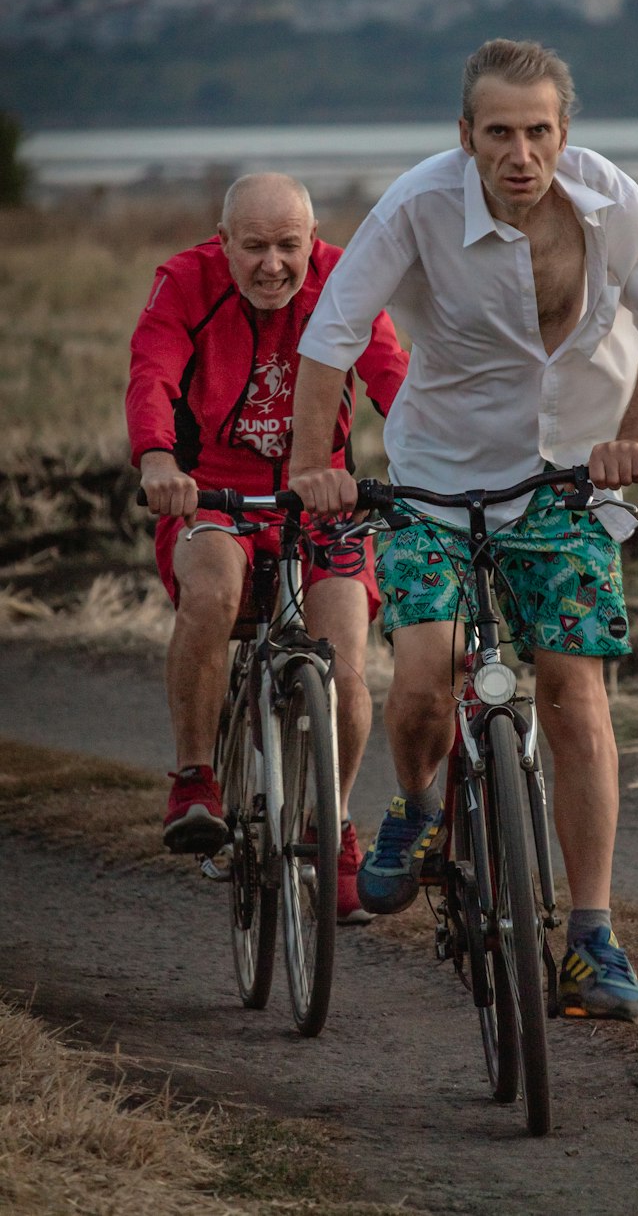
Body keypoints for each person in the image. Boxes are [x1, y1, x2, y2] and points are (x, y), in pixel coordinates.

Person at [289, 39, 638, 1018]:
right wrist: (316, 466)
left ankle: (591, 939)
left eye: (537, 132)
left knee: (573, 698)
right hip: (436, 480)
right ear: (465, 136)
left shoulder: (608, 200)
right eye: (498, 133)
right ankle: (419, 807)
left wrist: (634, 438)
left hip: (566, 483)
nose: (519, 152)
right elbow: (333, 334)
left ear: (564, 135)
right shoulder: (418, 205)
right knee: (424, 681)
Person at [126, 171, 408, 924]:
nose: (272, 264)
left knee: (345, 658)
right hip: (213, 492)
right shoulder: (184, 281)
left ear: (313, 241)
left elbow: (391, 375)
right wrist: (158, 459)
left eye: (289, 245)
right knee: (213, 592)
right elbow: (152, 369)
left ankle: (334, 825)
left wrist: (430, 462)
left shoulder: (345, 278)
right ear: (224, 243)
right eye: (254, 246)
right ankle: (194, 780)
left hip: (321, 497)